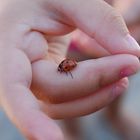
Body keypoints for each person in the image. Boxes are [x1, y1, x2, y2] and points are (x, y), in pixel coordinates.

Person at [0, 0, 140, 139]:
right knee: (67, 91)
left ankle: (113, 115)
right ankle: (73, 131)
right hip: (68, 32)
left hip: (125, 25)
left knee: (118, 75)